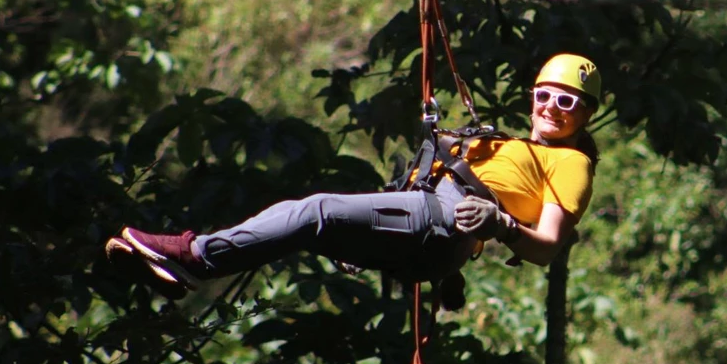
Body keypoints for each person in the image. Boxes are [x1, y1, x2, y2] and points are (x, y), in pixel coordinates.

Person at [105, 54, 602, 300]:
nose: (551, 108)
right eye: (544, 95)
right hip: (427, 217)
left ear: (586, 114)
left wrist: (501, 225)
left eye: (567, 102)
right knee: (301, 223)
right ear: (532, 97)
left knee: (315, 211)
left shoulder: (572, 162)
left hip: (442, 221)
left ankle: (194, 257)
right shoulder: (515, 144)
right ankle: (177, 271)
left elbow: (549, 245)